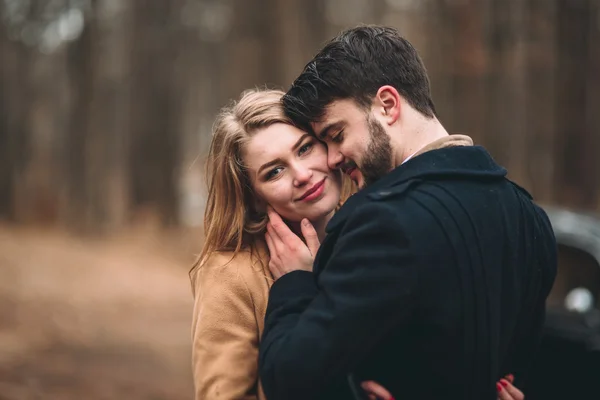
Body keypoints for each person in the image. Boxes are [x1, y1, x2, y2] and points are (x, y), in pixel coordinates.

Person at [259, 26, 557, 400]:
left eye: (336, 135)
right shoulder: (530, 217)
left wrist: (295, 282)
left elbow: (289, 379)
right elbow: (511, 377)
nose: (333, 159)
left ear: (387, 104)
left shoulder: (381, 223)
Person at [190, 88, 524, 400]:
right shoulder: (231, 273)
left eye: (305, 148)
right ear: (255, 200)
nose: (302, 174)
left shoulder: (373, 240)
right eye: (274, 172)